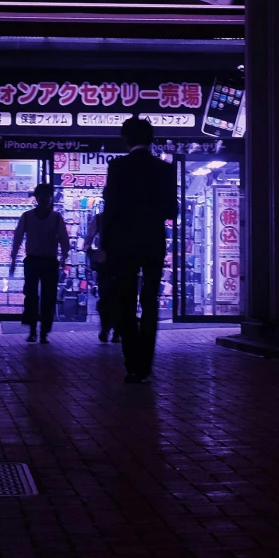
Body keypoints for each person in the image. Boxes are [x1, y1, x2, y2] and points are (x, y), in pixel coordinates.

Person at [100, 117, 176, 383]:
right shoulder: (164, 169)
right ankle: (146, 362)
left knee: (126, 300)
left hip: (123, 245)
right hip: (153, 243)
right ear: (151, 139)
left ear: (127, 139)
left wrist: (105, 246)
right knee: (150, 301)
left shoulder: (117, 167)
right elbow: (171, 210)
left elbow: (109, 211)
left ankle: (132, 363)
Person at [9, 182, 70, 342]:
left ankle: (42, 332)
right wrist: (13, 258)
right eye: (41, 196)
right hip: (34, 260)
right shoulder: (27, 216)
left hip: (47, 261)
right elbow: (17, 238)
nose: (44, 199)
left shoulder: (55, 218)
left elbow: (64, 240)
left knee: (47, 297)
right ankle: (34, 330)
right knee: (31, 295)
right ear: (36, 198)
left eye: (47, 196)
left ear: (50, 198)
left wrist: (64, 257)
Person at [85, 200, 115, 343]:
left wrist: (91, 253)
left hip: (108, 262)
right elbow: (88, 240)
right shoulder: (100, 219)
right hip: (115, 263)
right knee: (114, 296)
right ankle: (111, 329)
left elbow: (88, 240)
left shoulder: (100, 219)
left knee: (108, 296)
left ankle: (108, 329)